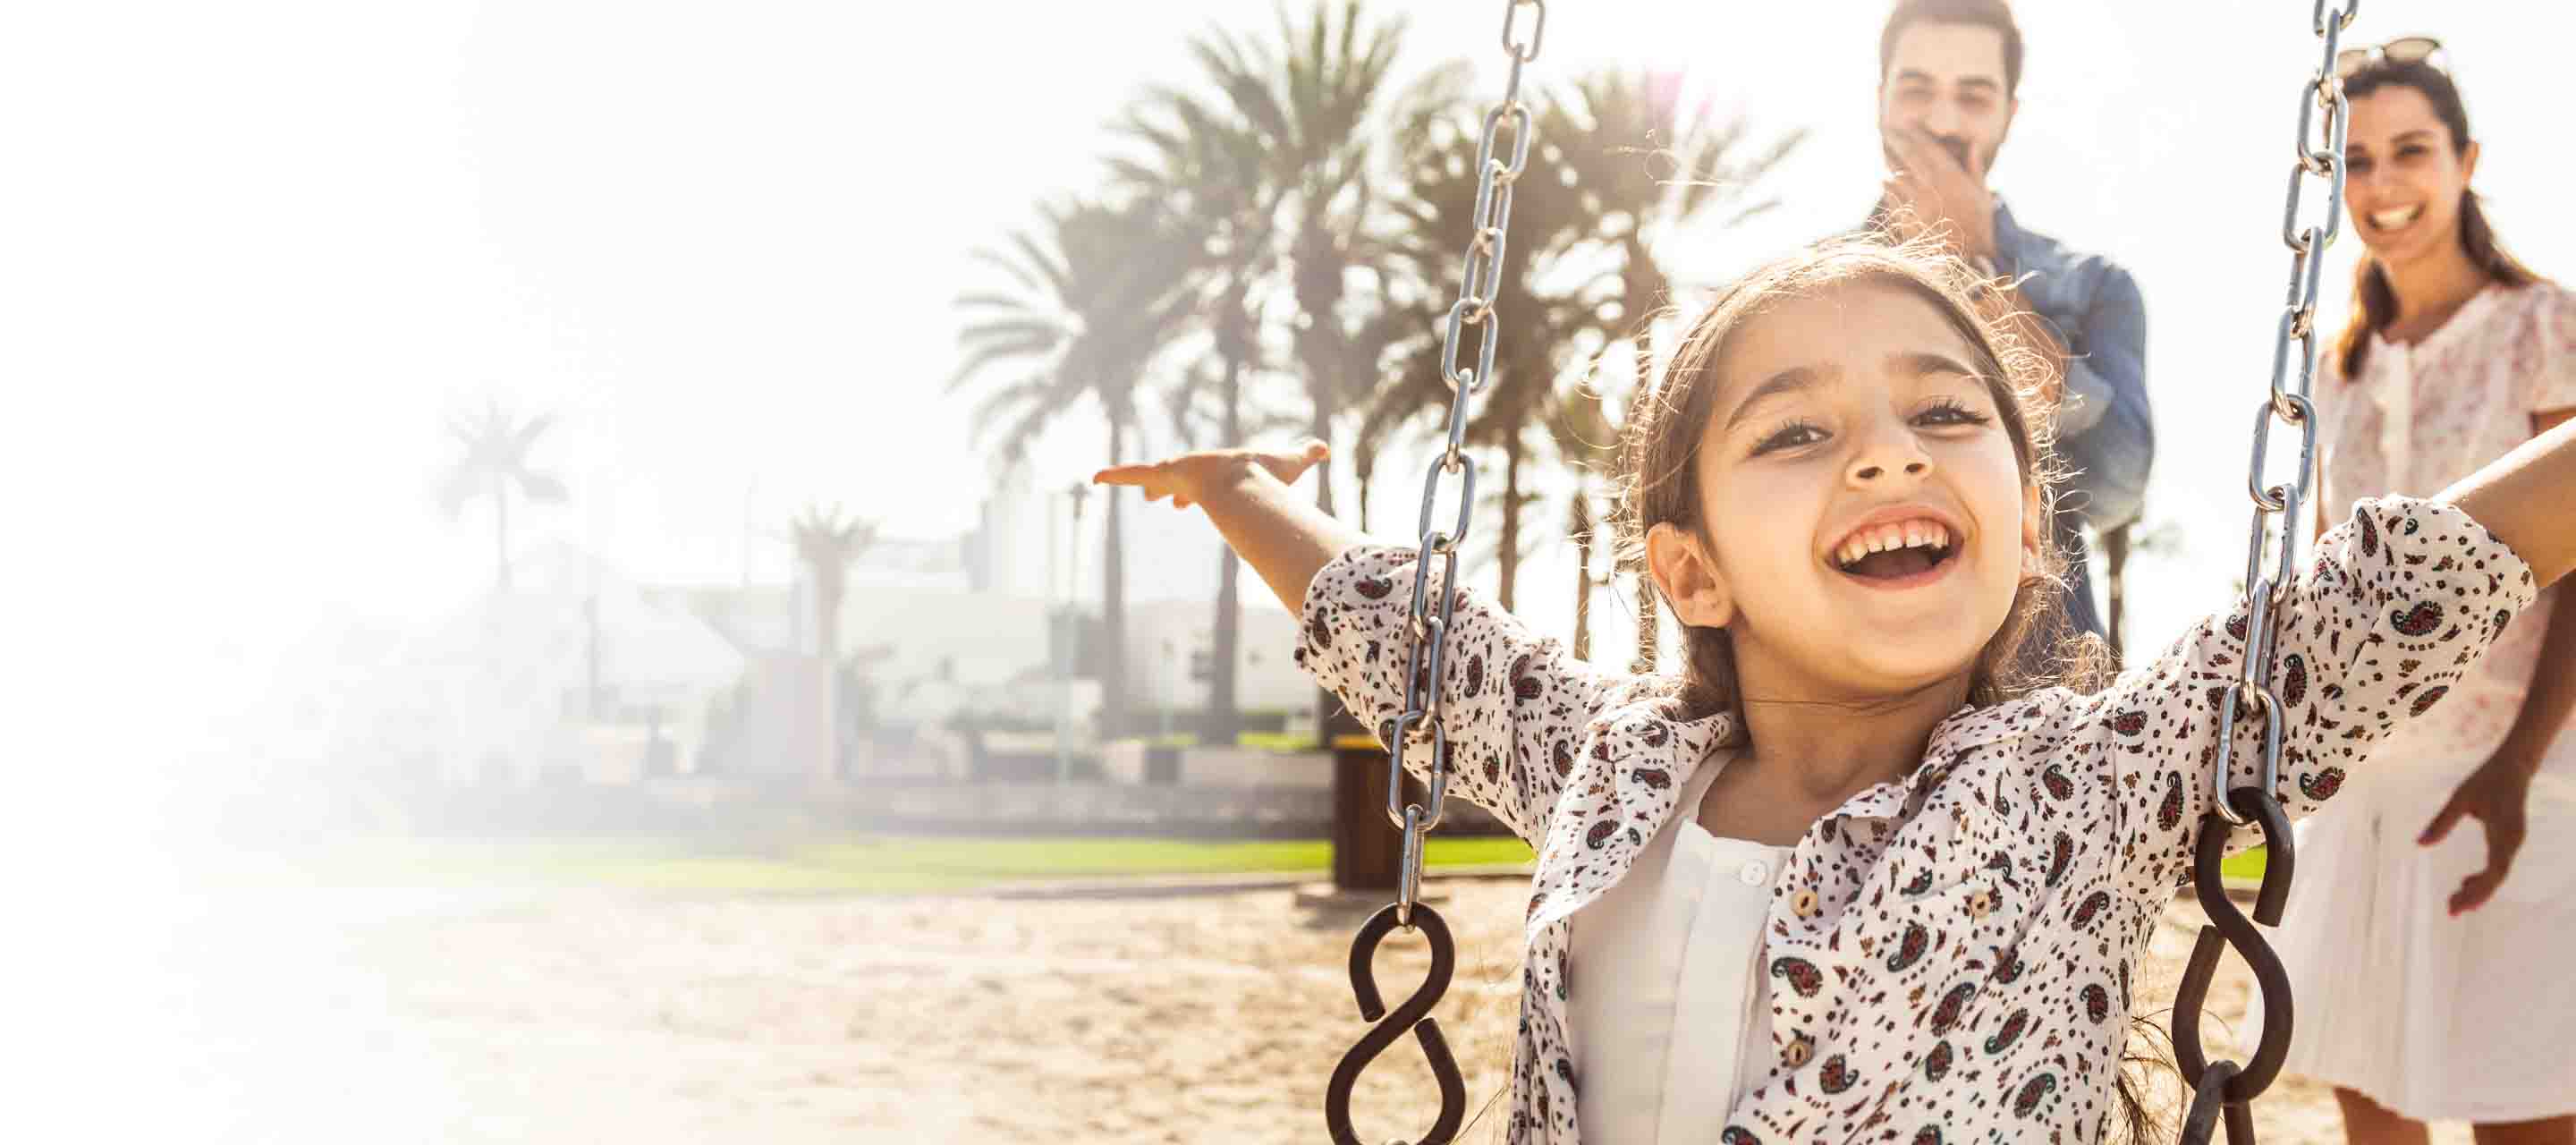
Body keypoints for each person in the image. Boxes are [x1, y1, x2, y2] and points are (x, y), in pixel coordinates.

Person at [1097, 235, 2576, 1144]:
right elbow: (1419, 644)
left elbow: (2387, 592)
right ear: (1692, 573)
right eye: (1797, 433)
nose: (1888, 453)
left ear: (2029, 532)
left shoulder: (2086, 778)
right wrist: (1239, 495)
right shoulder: (1610, 768)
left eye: (1942, 411)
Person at [2250, 42, 2576, 1145]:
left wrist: (2520, 762)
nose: (2381, 185)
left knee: (2520, 1102)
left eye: (2411, 153)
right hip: (2365, 782)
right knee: (2369, 1092)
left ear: (2466, 160)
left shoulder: (2546, 327)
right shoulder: (2336, 368)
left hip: (2520, 771)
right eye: (2356, 160)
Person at [1869, 0, 2153, 654]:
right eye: (1917, 90)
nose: (1943, 121)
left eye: (1973, 96)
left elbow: (2118, 486)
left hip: (2045, 694)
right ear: (1880, 97)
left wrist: (1972, 260)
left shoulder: (2094, 287)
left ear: (2008, 112)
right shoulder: (1802, 291)